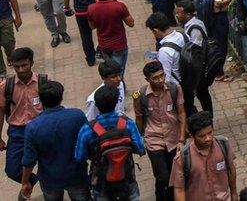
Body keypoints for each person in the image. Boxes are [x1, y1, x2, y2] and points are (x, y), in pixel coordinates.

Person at [20, 80, 89, 201]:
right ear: (61, 97)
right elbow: (89, 142)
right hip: (77, 175)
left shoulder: (33, 127)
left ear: (41, 101)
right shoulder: (77, 116)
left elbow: (29, 160)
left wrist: (25, 182)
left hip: (50, 179)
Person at [74, 84, 145, 200]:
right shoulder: (128, 124)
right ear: (117, 102)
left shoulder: (87, 129)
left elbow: (79, 157)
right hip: (126, 177)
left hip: (100, 180)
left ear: (96, 105)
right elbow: (140, 149)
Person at [134, 60, 187, 201]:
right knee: (162, 176)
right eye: (155, 78)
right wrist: (138, 141)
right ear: (147, 79)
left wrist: (182, 139)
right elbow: (139, 118)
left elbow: (181, 113)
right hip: (153, 140)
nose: (160, 80)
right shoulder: (140, 96)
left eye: (162, 75)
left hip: (174, 139)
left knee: (177, 174)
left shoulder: (174, 89)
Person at [0, 47, 45, 189]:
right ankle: (30, 183)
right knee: (13, 170)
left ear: (31, 63)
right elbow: (0, 112)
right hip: (17, 132)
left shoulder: (43, 82)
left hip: (41, 129)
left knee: (49, 163)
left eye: (24, 65)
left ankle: (48, 184)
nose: (20, 70)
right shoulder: (5, 86)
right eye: (16, 66)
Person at [170, 111, 238, 201]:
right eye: (202, 136)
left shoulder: (223, 145)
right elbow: (179, 189)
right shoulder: (183, 158)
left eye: (210, 133)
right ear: (192, 136)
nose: (207, 138)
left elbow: (231, 170)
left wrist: (234, 193)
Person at [87, 0, 135, 74]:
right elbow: (131, 23)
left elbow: (92, 27)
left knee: (110, 72)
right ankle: (119, 88)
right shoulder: (119, 6)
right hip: (119, 45)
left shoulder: (91, 8)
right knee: (118, 73)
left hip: (104, 45)